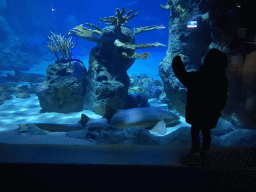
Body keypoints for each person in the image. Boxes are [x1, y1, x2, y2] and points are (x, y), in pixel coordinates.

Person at [172, 49, 228, 164]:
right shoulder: (222, 80)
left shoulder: (198, 77)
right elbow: (223, 98)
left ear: (206, 61)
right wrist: (219, 110)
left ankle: (196, 153)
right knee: (206, 132)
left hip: (196, 113)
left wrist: (176, 62)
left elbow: (183, 76)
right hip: (211, 113)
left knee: (195, 131)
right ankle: (206, 152)